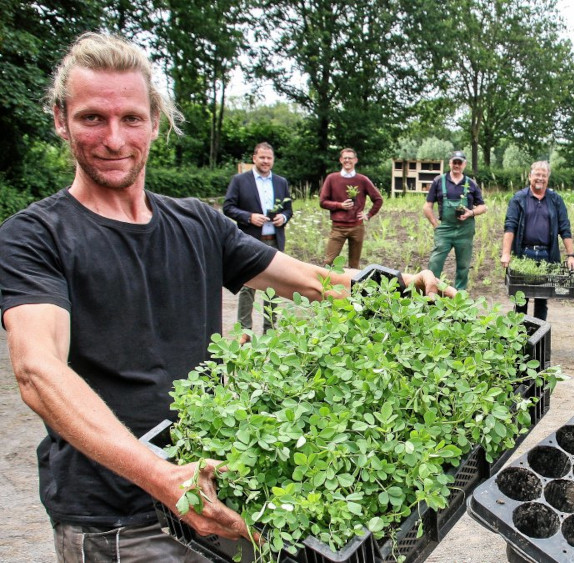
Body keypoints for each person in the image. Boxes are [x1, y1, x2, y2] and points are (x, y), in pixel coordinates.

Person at [0, 32, 450, 562]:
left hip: (213, 497)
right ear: (60, 119)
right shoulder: (35, 236)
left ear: (157, 121)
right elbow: (38, 371)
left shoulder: (195, 222)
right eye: (92, 118)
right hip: (117, 520)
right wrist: (163, 478)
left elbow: (310, 281)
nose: (115, 139)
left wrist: (400, 286)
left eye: (132, 119)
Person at [223, 142, 292, 343]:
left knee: (274, 286)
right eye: (262, 157)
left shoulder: (281, 182)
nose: (265, 161)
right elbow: (228, 207)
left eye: (269, 158)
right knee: (247, 286)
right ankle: (245, 331)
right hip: (250, 240)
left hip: (274, 241)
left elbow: (289, 209)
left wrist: (284, 218)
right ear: (254, 158)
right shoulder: (240, 181)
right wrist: (249, 217)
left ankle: (270, 329)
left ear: (273, 160)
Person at [500, 161, 574, 320]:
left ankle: (538, 335)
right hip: (524, 254)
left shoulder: (555, 199)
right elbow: (510, 226)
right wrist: (506, 253)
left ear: (548, 178)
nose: (540, 178)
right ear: (530, 176)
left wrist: (571, 255)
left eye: (544, 175)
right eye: (537, 174)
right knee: (521, 298)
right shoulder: (519, 198)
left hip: (547, 255)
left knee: (542, 298)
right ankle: (519, 336)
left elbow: (564, 228)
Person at [422, 151, 487, 290]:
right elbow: (427, 207)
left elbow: (483, 207)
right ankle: (431, 293)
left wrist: (471, 212)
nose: (457, 165)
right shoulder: (439, 181)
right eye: (454, 162)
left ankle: (459, 297)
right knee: (435, 263)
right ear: (450, 163)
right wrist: (435, 224)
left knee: (463, 266)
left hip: (465, 230)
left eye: (460, 162)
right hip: (445, 229)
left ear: (464, 164)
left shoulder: (471, 183)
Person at [319, 148, 383, 269]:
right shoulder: (332, 178)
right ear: (340, 160)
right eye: (345, 158)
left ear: (355, 160)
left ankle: (352, 287)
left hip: (357, 227)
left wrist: (368, 215)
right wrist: (340, 205)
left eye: (350, 158)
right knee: (329, 261)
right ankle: (325, 287)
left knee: (354, 264)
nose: (347, 160)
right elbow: (323, 202)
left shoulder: (362, 180)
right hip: (338, 227)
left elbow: (378, 199)